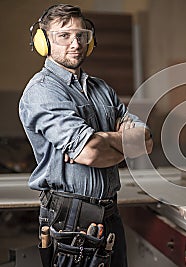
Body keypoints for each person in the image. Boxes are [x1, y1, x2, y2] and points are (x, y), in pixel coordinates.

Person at [19, 4, 153, 267]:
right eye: (64, 35)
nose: (76, 43)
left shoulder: (102, 89)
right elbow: (91, 153)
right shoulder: (42, 92)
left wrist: (103, 140)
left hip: (110, 214)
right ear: (44, 42)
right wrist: (118, 141)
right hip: (70, 219)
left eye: (81, 35)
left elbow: (146, 142)